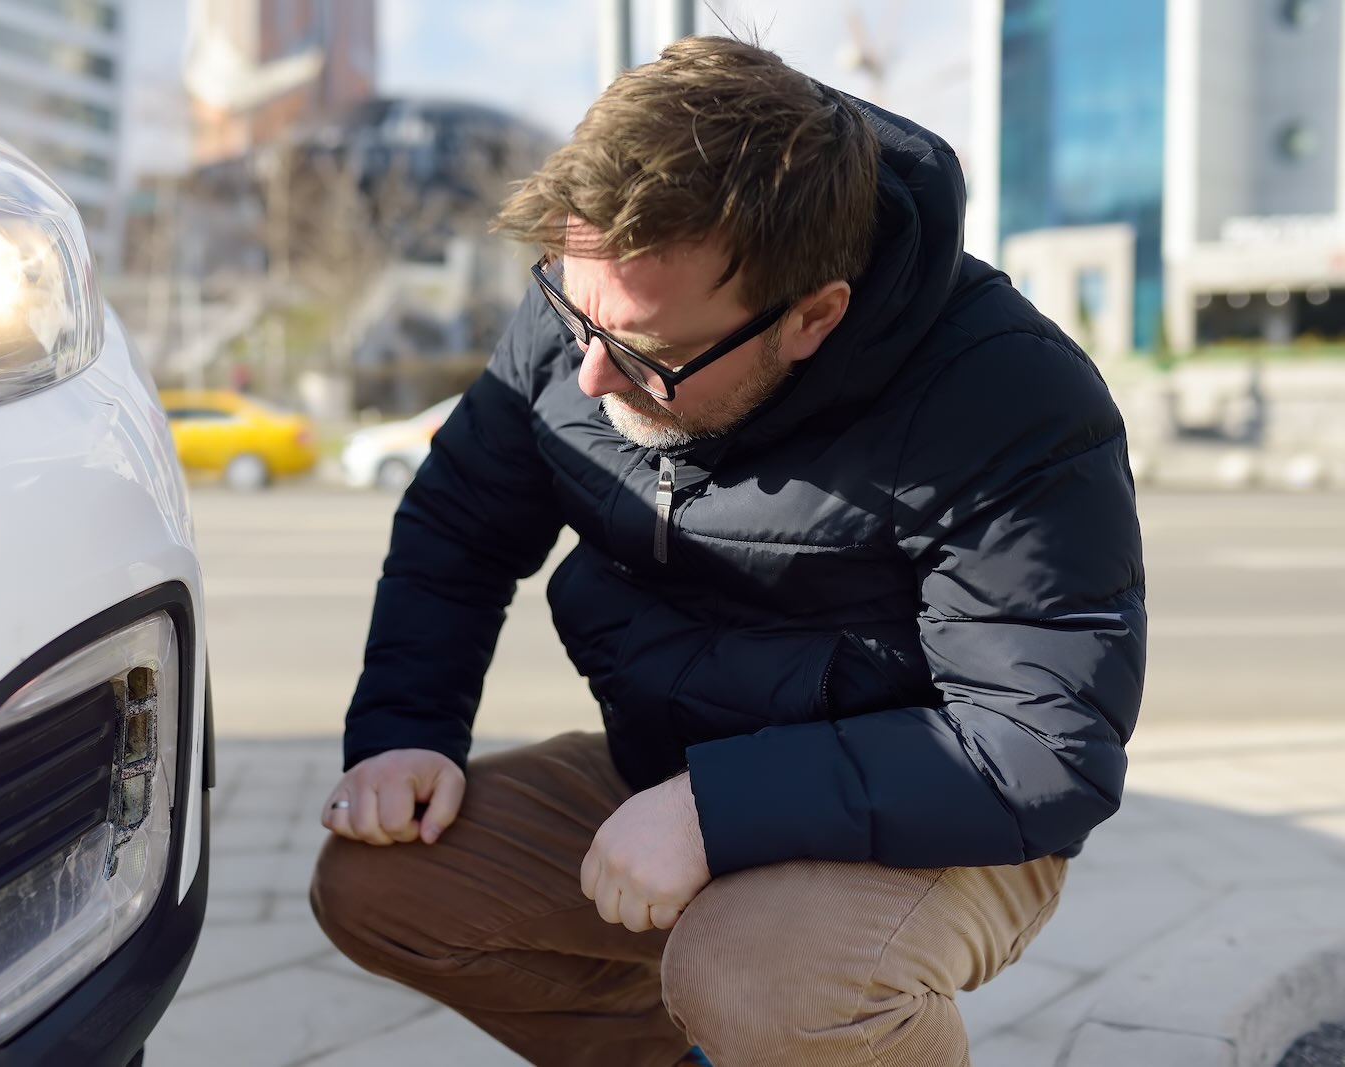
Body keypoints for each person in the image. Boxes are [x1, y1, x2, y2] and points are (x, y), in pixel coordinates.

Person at [309, 35, 1146, 1067]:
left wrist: (720, 808)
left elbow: (1039, 747)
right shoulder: (598, 317)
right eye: (574, 311)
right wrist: (405, 727)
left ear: (813, 316)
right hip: (672, 772)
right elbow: (457, 526)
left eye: (647, 355)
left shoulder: (1004, 396)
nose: (589, 379)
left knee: (764, 984)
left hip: (943, 807)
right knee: (381, 885)